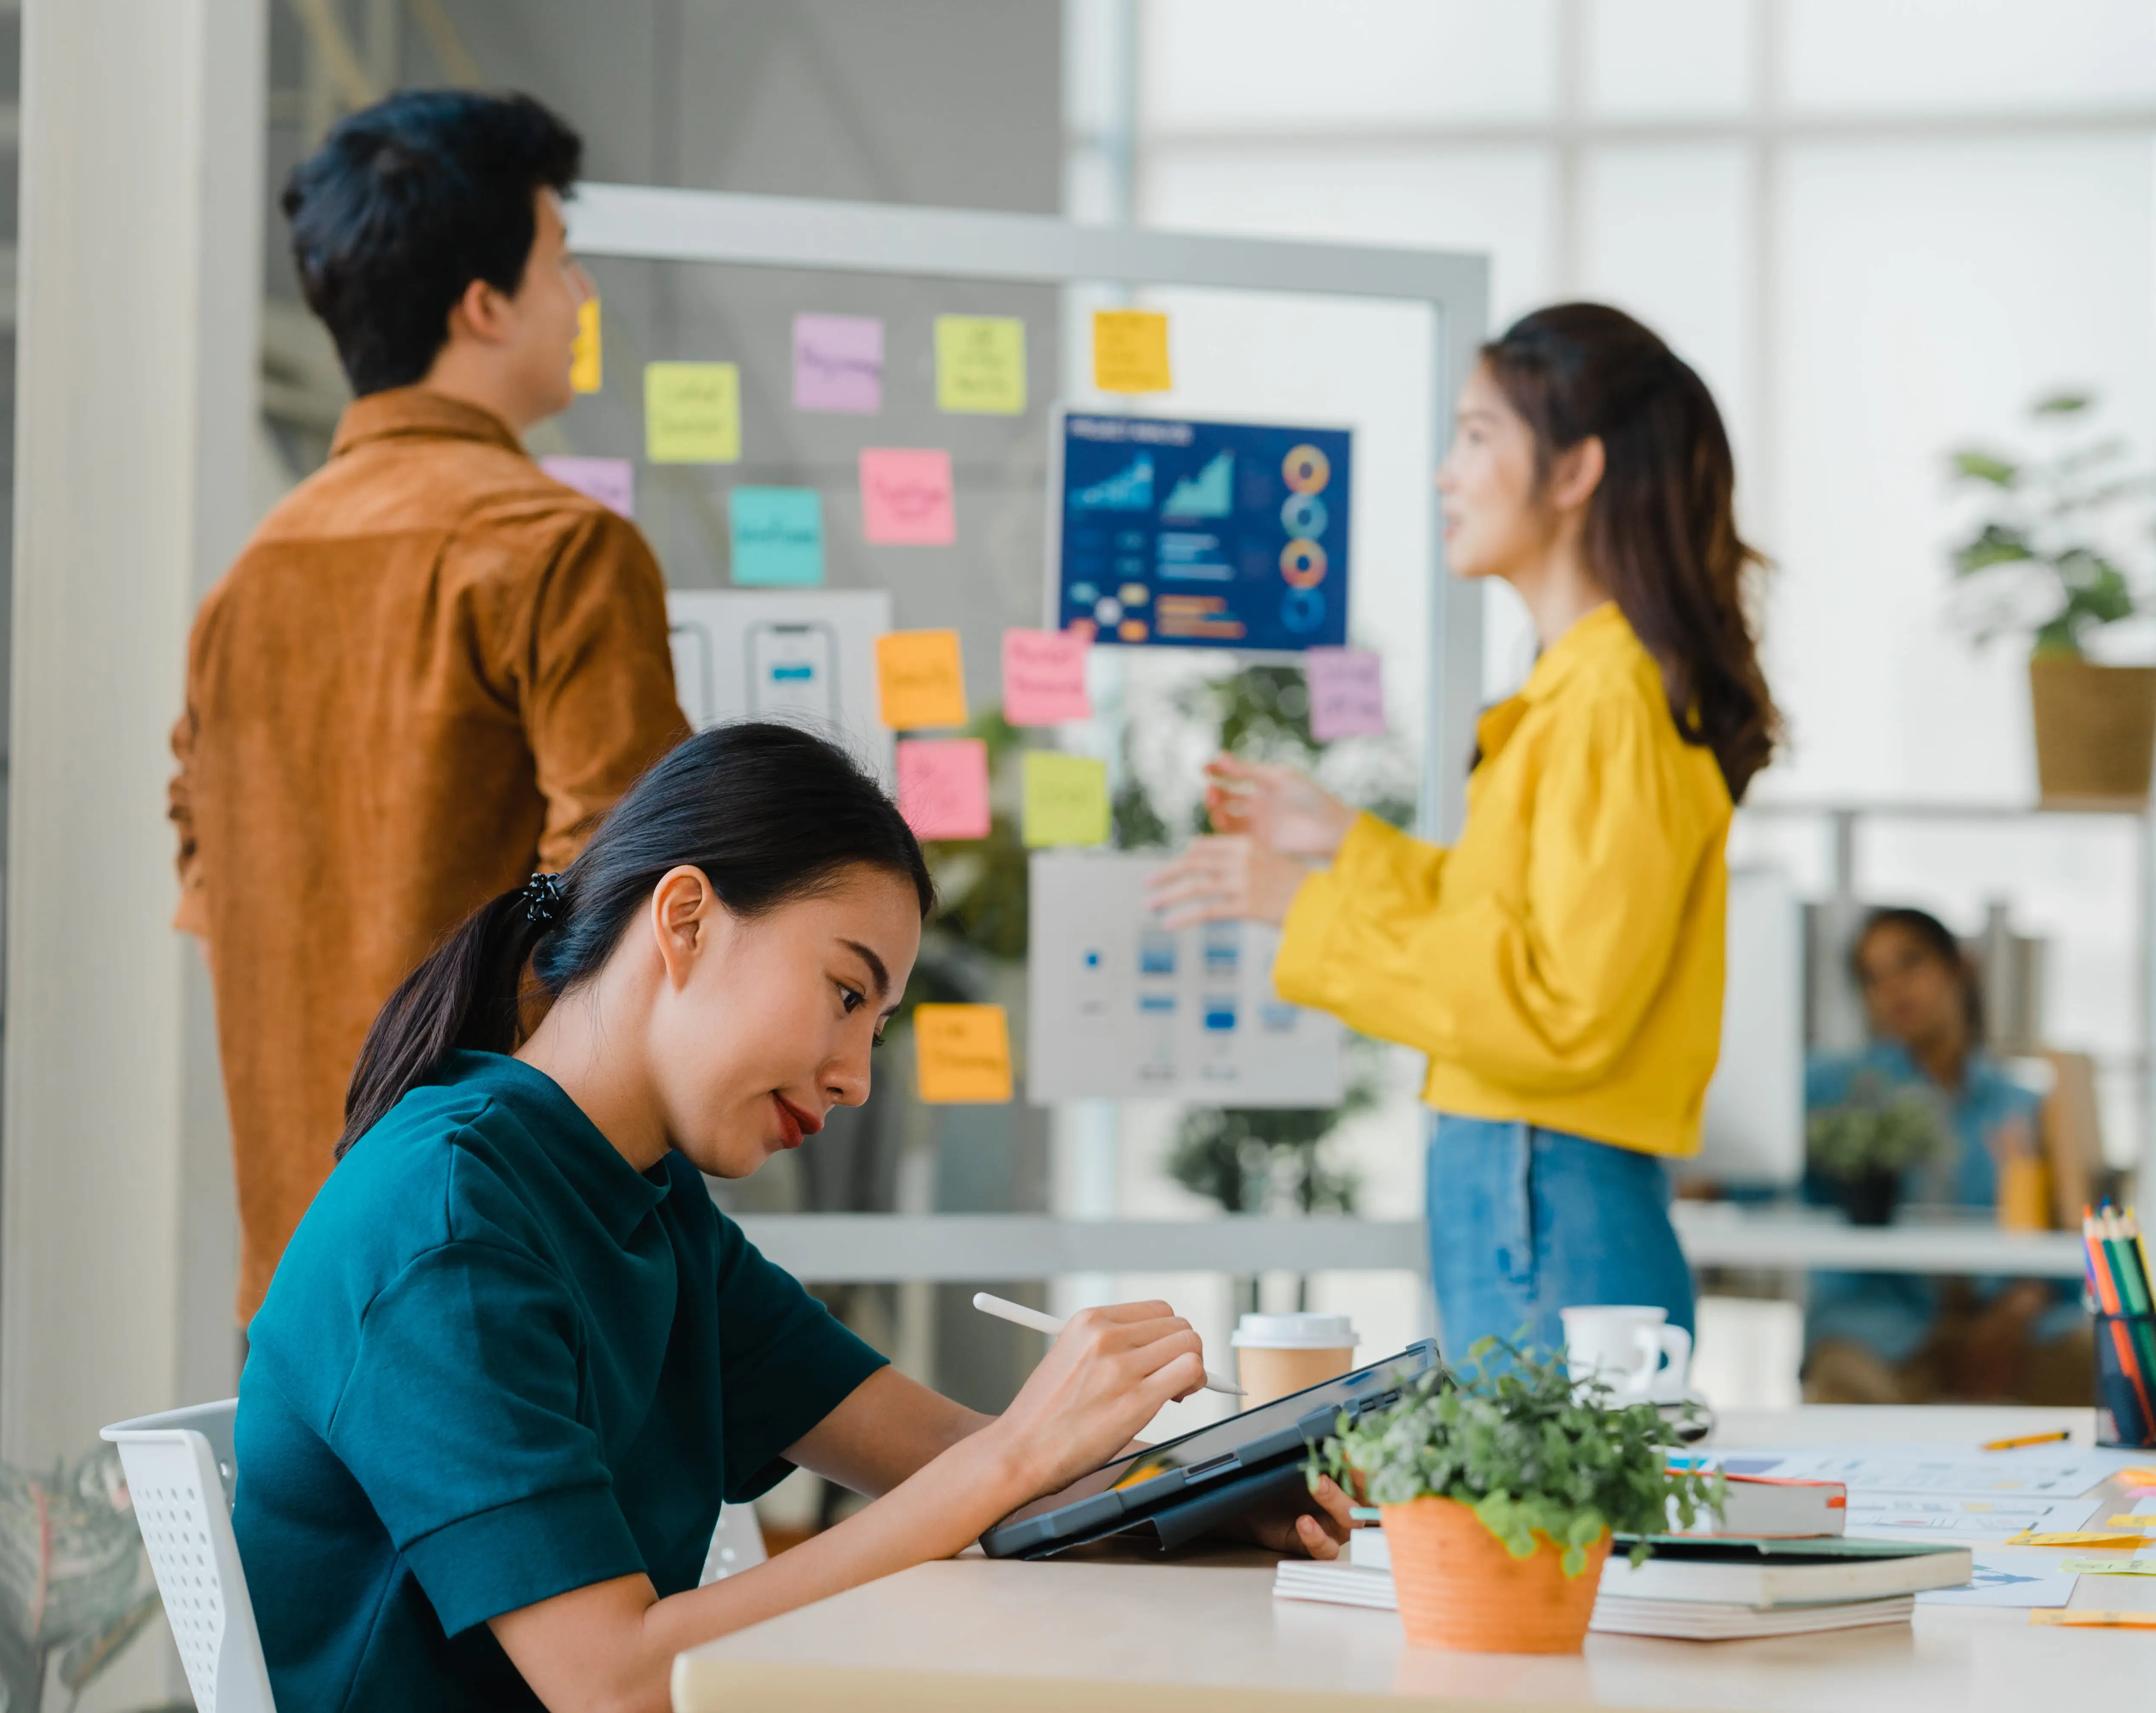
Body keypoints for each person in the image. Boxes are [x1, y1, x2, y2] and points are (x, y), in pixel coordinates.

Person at [233, 723, 1354, 1713]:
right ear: (685, 920)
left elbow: (939, 1455)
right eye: (847, 994)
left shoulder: (643, 1197)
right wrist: (1017, 1453)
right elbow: (615, 1683)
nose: (860, 1074)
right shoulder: (449, 1224)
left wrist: (1197, 1500)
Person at [1149, 303, 1779, 1368]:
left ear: (1577, 470)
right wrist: (1349, 844)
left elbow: (1558, 1007)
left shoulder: (1605, 702)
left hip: (1547, 1185)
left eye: (1479, 434)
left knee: (1542, 1532)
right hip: (1536, 1182)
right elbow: (1513, 930)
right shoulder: (1583, 688)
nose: (1447, 472)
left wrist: (1300, 907)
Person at [168, 90, 688, 1319]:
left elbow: (213, 899)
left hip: (295, 1281)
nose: (582, 299)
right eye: (562, 261)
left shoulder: (246, 586)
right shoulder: (560, 551)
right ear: (483, 303)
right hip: (491, 1250)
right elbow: (634, 917)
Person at [1801, 907, 2090, 1405]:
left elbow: (2065, 1237)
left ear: (1961, 966)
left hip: (2004, 1326)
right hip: (1882, 1326)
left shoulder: (2022, 1104)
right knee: (1841, 1388)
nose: (1893, 989)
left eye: (1908, 964)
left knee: (2107, 1366)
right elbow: (1757, 1171)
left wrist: (2022, 1305)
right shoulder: (1837, 1090)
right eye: (1873, 978)